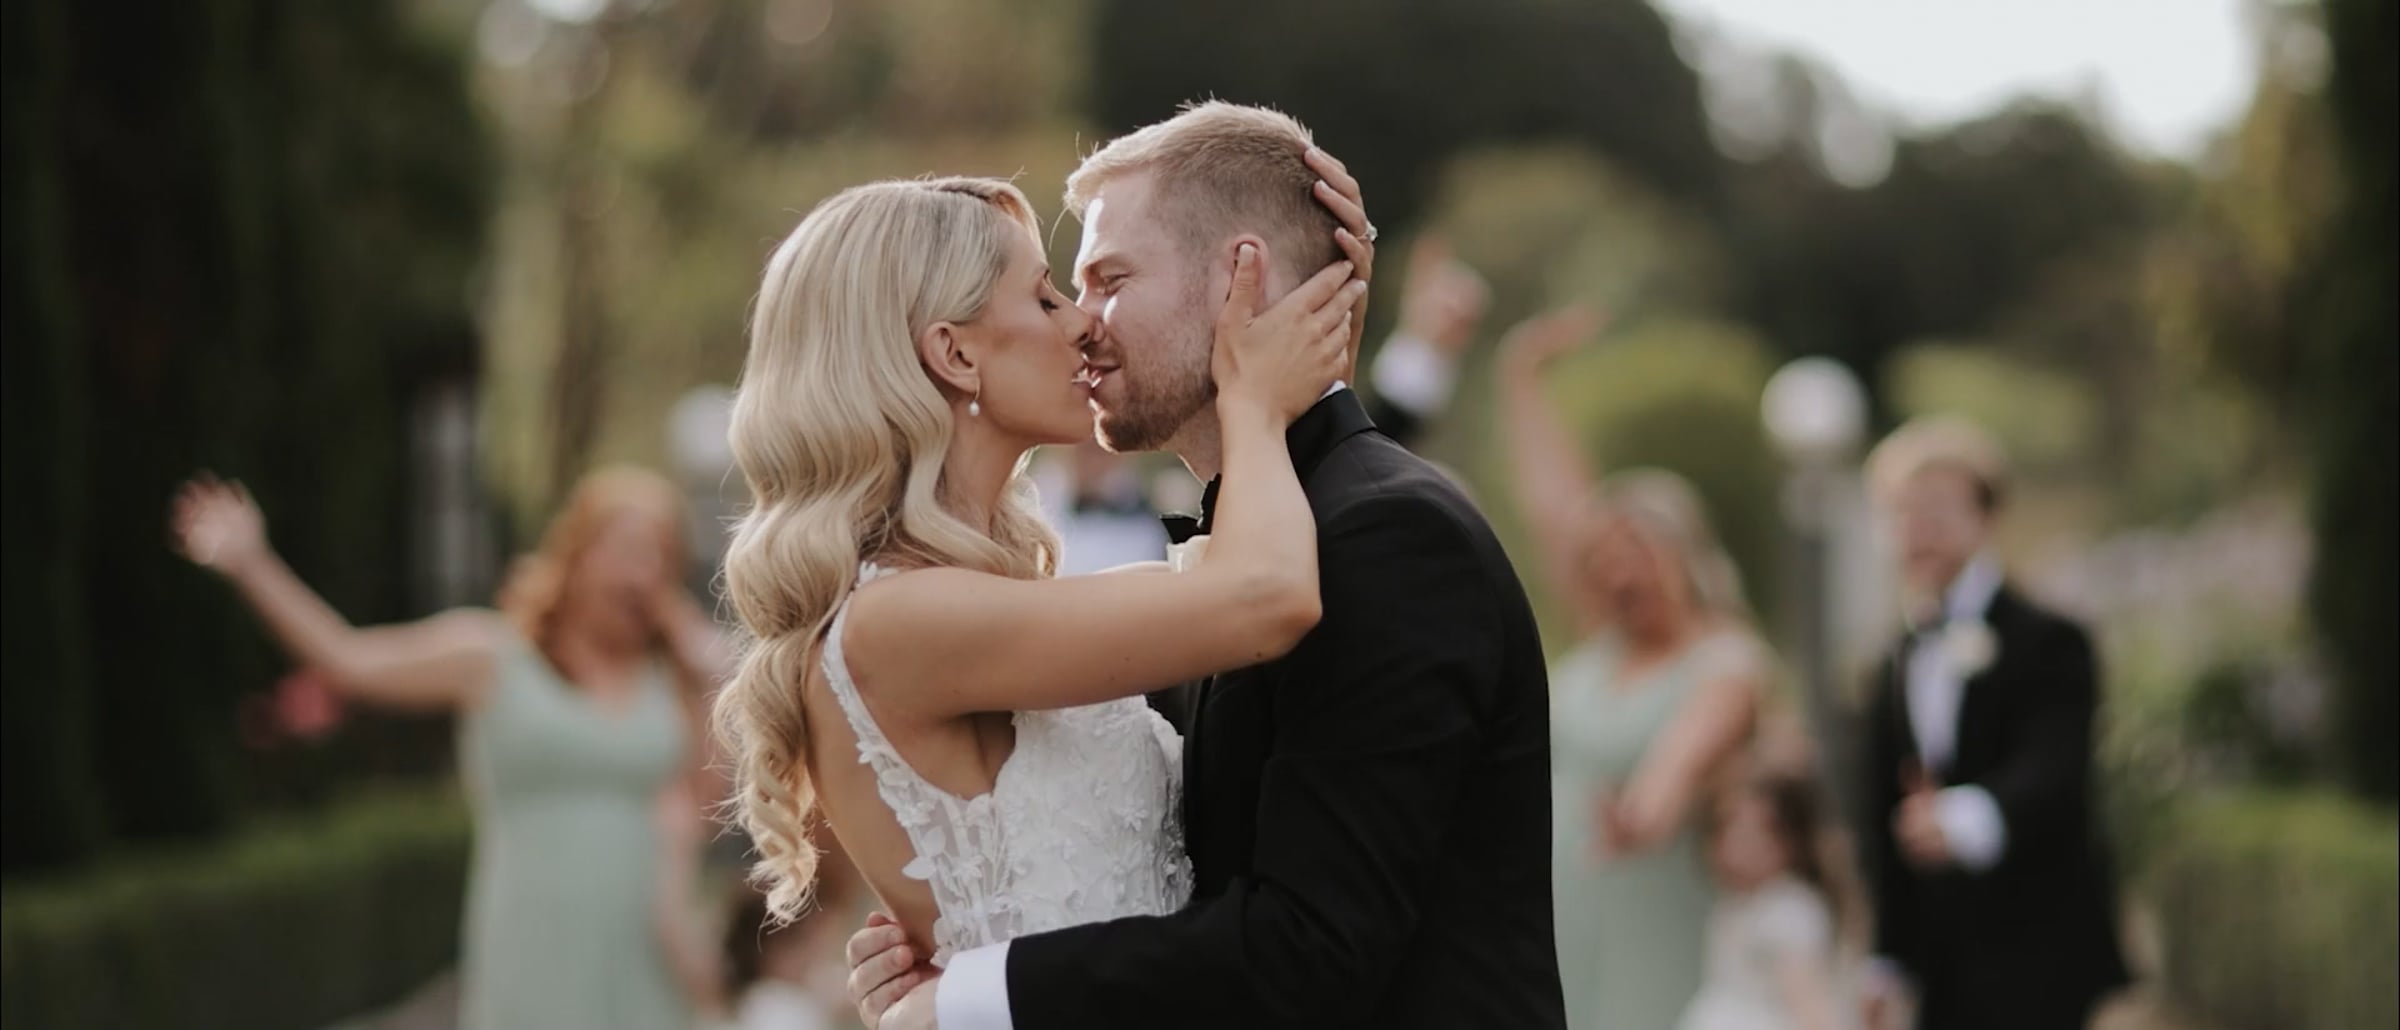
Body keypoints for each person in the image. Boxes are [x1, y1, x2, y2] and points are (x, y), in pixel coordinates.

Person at [812, 103, 1562, 1030]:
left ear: (1242, 276)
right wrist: (966, 925)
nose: (1083, 324)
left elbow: (1314, 949)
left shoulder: (1386, 535)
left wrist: (970, 991)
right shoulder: (1262, 545)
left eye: (1109, 279)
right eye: (1058, 294)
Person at [170, 466, 731, 1029]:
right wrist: (252, 564)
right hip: (533, 937)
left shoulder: (670, 679)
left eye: (662, 557)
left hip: (647, 945)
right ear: (577, 553)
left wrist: (712, 679)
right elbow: (348, 659)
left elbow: (709, 806)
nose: (644, 572)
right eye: (628, 550)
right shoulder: (491, 656)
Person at [1496, 306, 1768, 1030]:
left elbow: (1682, 761)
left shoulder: (1726, 662)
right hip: (1561, 913)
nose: (1620, 574)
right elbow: (1554, 509)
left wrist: (1640, 815)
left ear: (1685, 555)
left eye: (1640, 554)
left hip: (1656, 910)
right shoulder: (1602, 643)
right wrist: (1521, 377)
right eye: (1605, 559)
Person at [1856, 417, 2128, 1030]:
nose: (1916, 530)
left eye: (1935, 510)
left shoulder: (2050, 640)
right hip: (1940, 956)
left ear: (1985, 517)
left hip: (2038, 940)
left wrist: (1964, 818)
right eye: (1901, 513)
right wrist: (1886, 957)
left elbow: (2056, 767)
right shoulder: (1893, 657)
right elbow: (1882, 811)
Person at [1678, 770, 1862, 1030]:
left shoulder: (1787, 911)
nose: (1732, 848)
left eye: (1750, 837)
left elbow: (1811, 1004)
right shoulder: (1739, 904)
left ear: (1789, 842)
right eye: (1725, 831)